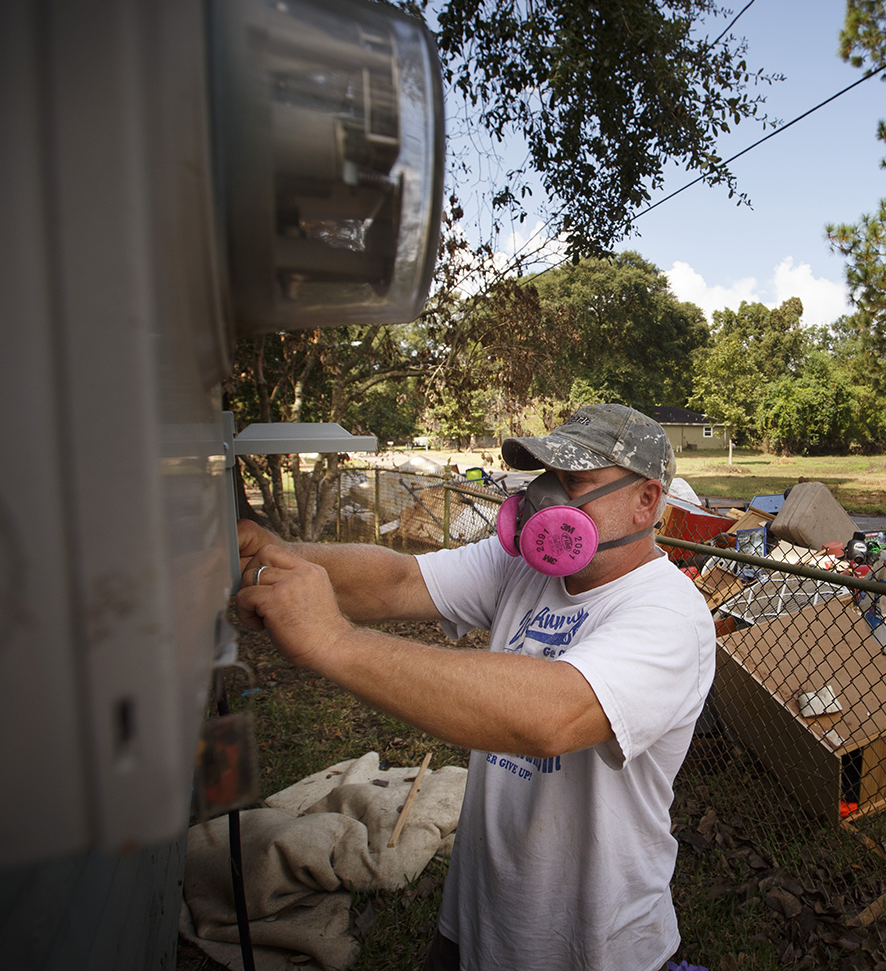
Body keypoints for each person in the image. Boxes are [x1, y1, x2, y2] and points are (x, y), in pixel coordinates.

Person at [236, 404, 716, 971]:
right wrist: (270, 553)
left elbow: (551, 716)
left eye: (574, 480)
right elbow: (397, 581)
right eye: (545, 477)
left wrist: (334, 643)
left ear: (647, 501)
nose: (546, 497)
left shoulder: (669, 615)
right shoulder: (525, 567)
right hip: (478, 915)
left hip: (593, 945)